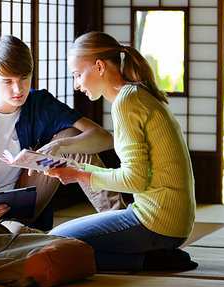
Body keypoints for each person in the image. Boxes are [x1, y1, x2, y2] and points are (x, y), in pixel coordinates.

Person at [0, 35, 124, 247]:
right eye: (8, 81)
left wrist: (58, 146)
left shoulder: (39, 103)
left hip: (23, 202)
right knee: (11, 236)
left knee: (70, 137)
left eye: (24, 78)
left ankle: (121, 221)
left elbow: (104, 138)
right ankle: (32, 238)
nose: (18, 89)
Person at [44, 31, 197, 271]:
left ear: (99, 66)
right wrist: (79, 169)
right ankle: (155, 256)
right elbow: (137, 176)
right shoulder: (135, 95)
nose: (76, 85)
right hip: (170, 221)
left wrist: (79, 176)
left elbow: (134, 180)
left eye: (77, 75)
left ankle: (151, 260)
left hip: (156, 223)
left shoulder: (127, 103)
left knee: (54, 243)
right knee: (58, 241)